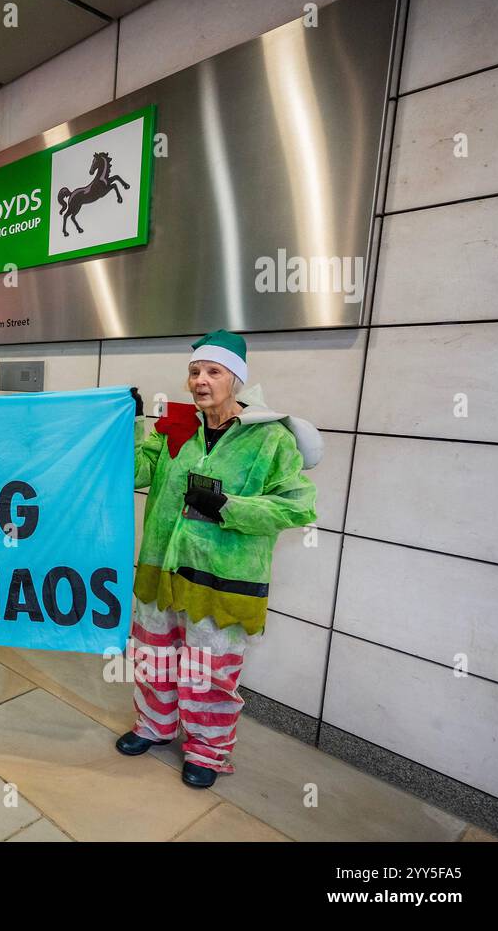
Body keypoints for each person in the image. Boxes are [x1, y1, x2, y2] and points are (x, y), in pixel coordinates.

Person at [118, 330, 320, 787]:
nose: (201, 381)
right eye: (194, 372)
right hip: (161, 567)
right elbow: (134, 472)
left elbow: (298, 505)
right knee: (153, 656)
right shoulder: (176, 426)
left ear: (237, 380)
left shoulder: (268, 439)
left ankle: (207, 752)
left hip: (224, 577)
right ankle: (154, 726)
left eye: (213, 372)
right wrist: (127, 425)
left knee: (210, 671)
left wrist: (230, 507)